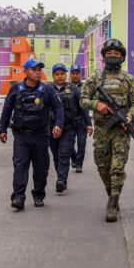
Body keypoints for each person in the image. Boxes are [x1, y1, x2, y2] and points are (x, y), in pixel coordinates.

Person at [80, 39, 134, 222]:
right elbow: (82, 100)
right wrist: (96, 104)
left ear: (122, 57)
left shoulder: (130, 81)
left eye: (116, 53)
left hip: (121, 131)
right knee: (103, 166)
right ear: (104, 56)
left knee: (117, 168)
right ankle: (111, 192)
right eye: (109, 53)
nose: (113, 55)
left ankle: (113, 202)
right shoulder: (95, 79)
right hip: (101, 130)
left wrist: (129, 116)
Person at [0, 58, 64, 210]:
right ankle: (18, 197)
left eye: (39, 69)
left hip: (41, 135)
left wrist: (58, 124)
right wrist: (2, 129)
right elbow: (7, 109)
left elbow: (58, 107)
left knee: (41, 168)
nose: (38, 72)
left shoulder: (47, 89)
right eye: (34, 69)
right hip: (21, 136)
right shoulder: (16, 89)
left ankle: (39, 195)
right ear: (26, 72)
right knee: (20, 166)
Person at [49, 63, 92, 193]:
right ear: (53, 76)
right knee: (56, 154)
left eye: (62, 74)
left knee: (64, 153)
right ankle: (61, 177)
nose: (60, 76)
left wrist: (89, 124)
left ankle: (61, 180)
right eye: (57, 74)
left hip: (69, 127)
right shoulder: (48, 89)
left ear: (65, 75)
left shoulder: (73, 89)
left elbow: (82, 108)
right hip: (52, 128)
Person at [69, 64, 90, 173]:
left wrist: (89, 123)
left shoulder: (85, 87)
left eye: (77, 73)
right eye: (73, 73)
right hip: (70, 120)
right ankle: (73, 159)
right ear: (70, 74)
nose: (75, 75)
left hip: (82, 119)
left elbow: (87, 105)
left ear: (80, 75)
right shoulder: (66, 87)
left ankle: (79, 164)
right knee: (69, 143)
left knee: (81, 143)